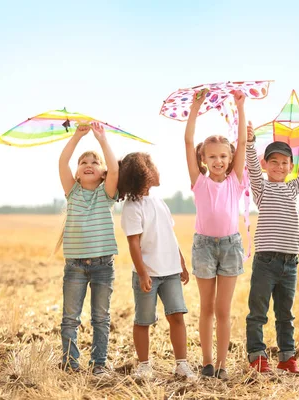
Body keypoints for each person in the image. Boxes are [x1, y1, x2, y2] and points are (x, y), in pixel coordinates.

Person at [245, 121, 299, 373]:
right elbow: (251, 166)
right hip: (265, 261)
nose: (279, 166)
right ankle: (257, 356)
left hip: (290, 262)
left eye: (284, 162)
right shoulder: (261, 189)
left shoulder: (293, 187)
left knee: (286, 314)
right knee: (258, 312)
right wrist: (250, 144)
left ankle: (286, 357)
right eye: (273, 162)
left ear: (291, 167)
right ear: (266, 164)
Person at [184, 89, 247, 380]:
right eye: (212, 157)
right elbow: (187, 140)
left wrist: (240, 106)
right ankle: (207, 362)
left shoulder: (235, 180)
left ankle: (222, 365)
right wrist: (196, 107)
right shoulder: (199, 181)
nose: (218, 161)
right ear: (204, 158)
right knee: (206, 307)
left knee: (223, 310)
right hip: (204, 247)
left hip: (231, 246)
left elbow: (243, 141)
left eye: (223, 156)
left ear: (231, 157)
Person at [119, 152, 196, 381]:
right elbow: (133, 244)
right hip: (148, 274)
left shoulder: (159, 201)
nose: (158, 171)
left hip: (170, 272)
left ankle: (181, 364)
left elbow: (169, 234)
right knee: (143, 320)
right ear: (145, 173)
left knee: (177, 316)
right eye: (154, 166)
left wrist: (180, 261)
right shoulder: (132, 207)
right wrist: (142, 273)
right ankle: (144, 365)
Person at [57, 122, 119, 376]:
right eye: (84, 162)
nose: (89, 164)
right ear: (78, 173)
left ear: (103, 172)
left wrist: (102, 139)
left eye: (95, 162)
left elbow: (115, 167)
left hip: (103, 265)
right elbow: (62, 162)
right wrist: (77, 136)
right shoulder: (72, 192)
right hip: (75, 266)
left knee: (101, 318)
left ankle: (99, 364)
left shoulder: (107, 193)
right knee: (70, 318)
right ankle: (70, 364)